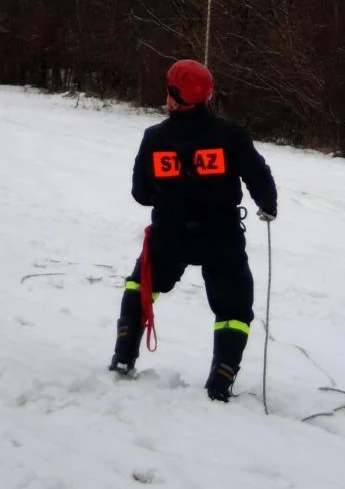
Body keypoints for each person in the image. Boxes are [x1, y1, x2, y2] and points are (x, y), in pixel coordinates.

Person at [109, 58, 278, 401]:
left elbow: (141, 194)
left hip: (170, 235)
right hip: (222, 236)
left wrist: (168, 194)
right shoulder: (231, 135)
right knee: (234, 310)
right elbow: (259, 175)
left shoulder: (155, 138)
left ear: (172, 96)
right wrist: (268, 205)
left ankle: (124, 357)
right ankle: (221, 380)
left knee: (140, 285)